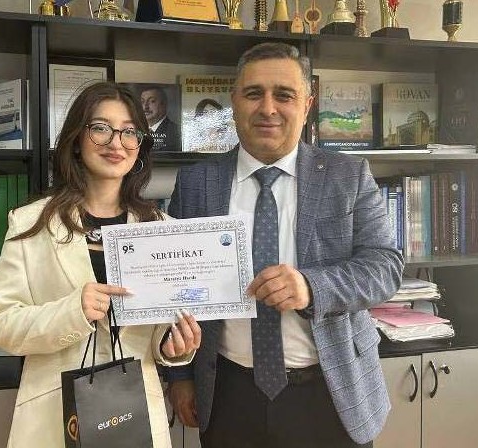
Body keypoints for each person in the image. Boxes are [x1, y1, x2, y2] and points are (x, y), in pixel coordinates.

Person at [166, 42, 403, 448]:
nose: (268, 108)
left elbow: (385, 267)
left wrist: (311, 287)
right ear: (234, 102)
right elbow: (175, 287)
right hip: (227, 392)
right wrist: (181, 376)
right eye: (253, 93)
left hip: (330, 392)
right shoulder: (195, 184)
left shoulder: (348, 176)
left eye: (284, 95)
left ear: (307, 105)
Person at [0, 81, 202, 448]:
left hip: (136, 413)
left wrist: (172, 347)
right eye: (101, 128)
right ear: (77, 139)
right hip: (53, 416)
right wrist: (73, 311)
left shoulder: (162, 230)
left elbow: (157, 334)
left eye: (129, 132)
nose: (116, 143)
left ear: (140, 145)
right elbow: (2, 325)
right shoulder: (30, 223)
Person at [139, 85, 180, 152]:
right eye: (142, 101)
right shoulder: (137, 130)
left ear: (164, 104)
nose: (145, 107)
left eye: (152, 101)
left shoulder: (175, 132)